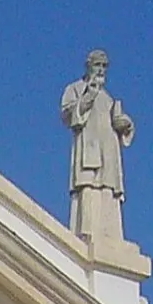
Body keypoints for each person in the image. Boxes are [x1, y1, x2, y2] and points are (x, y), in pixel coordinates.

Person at [60, 49, 135, 249]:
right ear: (89, 66)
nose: (101, 70)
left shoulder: (109, 99)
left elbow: (117, 125)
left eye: (104, 66)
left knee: (108, 189)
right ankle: (87, 231)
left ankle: (110, 235)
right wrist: (89, 95)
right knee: (89, 187)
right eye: (97, 65)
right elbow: (69, 115)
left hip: (108, 154)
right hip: (89, 150)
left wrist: (124, 125)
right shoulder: (75, 89)